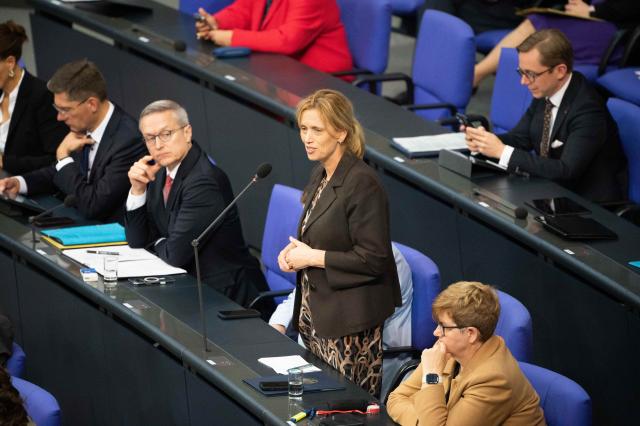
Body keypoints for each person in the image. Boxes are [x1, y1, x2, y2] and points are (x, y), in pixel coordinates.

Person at [277, 89, 401, 396]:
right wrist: (293, 252)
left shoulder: (362, 183)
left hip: (348, 326)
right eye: (304, 129)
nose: (307, 137)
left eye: (317, 130)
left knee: (343, 409)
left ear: (341, 132)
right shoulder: (322, 171)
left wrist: (312, 257)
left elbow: (374, 258)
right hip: (318, 315)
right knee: (318, 406)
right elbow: (318, 233)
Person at [124, 100, 269, 307]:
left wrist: (156, 241)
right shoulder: (161, 171)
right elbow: (137, 240)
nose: (158, 145)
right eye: (150, 138)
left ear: (187, 132)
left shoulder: (203, 182)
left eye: (166, 134)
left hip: (228, 299)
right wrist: (137, 189)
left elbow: (175, 255)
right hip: (191, 286)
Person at [465, 29, 627, 203]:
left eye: (531, 74)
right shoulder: (547, 89)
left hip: (587, 204)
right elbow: (521, 138)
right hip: (550, 189)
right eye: (522, 72)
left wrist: (502, 151)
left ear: (560, 71)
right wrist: (485, 141)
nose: (524, 81)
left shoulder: (588, 110)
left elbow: (566, 170)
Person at [0, 59, 146, 221]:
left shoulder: (129, 141)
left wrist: (63, 155)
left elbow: (93, 205)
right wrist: (20, 183)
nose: (59, 117)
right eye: (57, 109)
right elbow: (58, 172)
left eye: (65, 110)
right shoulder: (84, 125)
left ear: (92, 104)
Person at [387, 281, 546, 426]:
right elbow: (396, 399)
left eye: (443, 326)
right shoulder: (450, 347)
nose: (436, 332)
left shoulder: (494, 380)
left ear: (470, 334)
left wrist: (431, 376)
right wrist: (422, 422)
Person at [269, 242, 413, 397]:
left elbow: (350, 318)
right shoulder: (333, 244)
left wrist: (311, 257)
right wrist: (278, 325)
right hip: (321, 351)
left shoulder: (377, 260)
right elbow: (307, 289)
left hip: (368, 360)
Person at [474, 0, 640, 87]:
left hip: (617, 31)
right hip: (593, 19)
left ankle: (476, 74)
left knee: (538, 26)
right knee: (538, 25)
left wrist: (592, 11)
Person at [194, 0, 353, 75]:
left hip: (320, 81)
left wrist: (231, 38)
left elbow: (288, 40)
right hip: (278, 71)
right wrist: (216, 22)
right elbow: (244, 10)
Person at [0, 20, 67, 175]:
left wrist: (5, 162)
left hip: (23, 188)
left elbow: (55, 159)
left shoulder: (42, 96)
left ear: (10, 62)